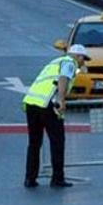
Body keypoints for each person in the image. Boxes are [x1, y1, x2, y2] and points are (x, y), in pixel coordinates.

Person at [22, 43, 91, 188]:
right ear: (78, 56)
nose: (83, 63)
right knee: (57, 141)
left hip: (31, 103)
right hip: (48, 104)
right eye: (83, 59)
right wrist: (61, 99)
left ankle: (30, 178)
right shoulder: (69, 63)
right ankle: (57, 178)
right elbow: (63, 78)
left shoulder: (54, 62)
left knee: (34, 143)